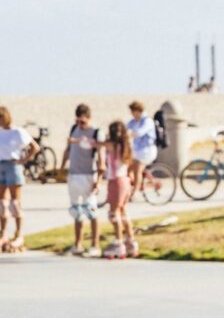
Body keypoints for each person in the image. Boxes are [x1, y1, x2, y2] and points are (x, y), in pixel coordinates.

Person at [0, 106, 39, 253]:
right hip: (0, 165)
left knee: (15, 204)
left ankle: (19, 234)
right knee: (0, 204)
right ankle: (3, 233)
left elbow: (34, 147)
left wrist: (24, 160)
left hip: (12, 164)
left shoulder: (18, 132)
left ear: (4, 117)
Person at [60, 104, 105, 257]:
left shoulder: (96, 132)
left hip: (88, 174)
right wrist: (61, 167)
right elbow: (68, 149)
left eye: (83, 122)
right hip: (74, 174)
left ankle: (95, 245)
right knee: (76, 211)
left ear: (89, 118)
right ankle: (77, 244)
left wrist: (98, 180)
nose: (80, 125)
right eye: (78, 121)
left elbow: (101, 158)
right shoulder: (74, 129)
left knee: (91, 210)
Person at [102, 120, 138, 259]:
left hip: (116, 181)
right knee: (123, 211)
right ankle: (131, 241)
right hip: (125, 181)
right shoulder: (127, 145)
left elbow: (97, 144)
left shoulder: (112, 145)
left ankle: (118, 243)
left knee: (114, 213)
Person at [126, 101, 157, 200]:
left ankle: (135, 193)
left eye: (133, 112)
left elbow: (140, 132)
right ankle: (133, 186)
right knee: (127, 169)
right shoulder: (133, 121)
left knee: (137, 170)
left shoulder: (147, 121)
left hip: (147, 150)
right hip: (137, 150)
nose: (132, 114)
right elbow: (125, 128)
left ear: (137, 111)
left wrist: (129, 134)